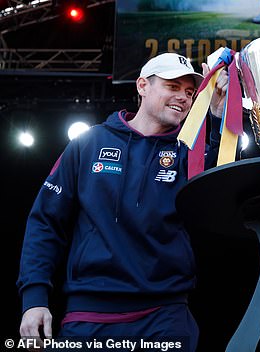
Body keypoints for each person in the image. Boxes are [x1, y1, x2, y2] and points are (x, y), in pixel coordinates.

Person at [17, 52, 228, 351]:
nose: (183, 97)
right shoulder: (88, 143)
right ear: (142, 86)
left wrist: (218, 116)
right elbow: (45, 222)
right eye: (172, 86)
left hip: (165, 315)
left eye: (190, 91)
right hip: (89, 313)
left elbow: (219, 192)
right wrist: (34, 299)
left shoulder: (188, 152)